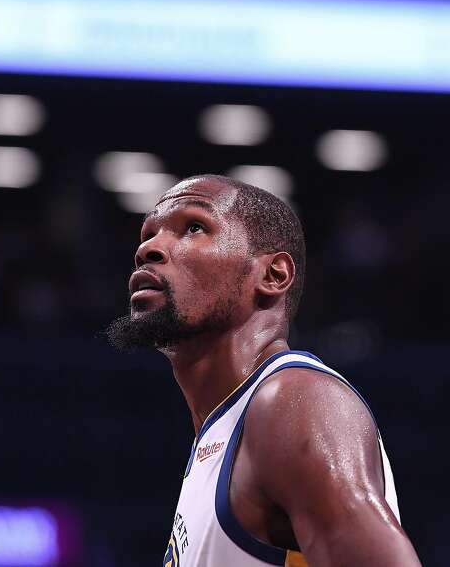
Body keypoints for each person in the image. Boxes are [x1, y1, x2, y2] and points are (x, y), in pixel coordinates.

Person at [106, 174, 421, 566]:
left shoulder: (293, 401)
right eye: (147, 234)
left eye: (194, 227)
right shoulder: (221, 438)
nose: (148, 249)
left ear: (273, 276)